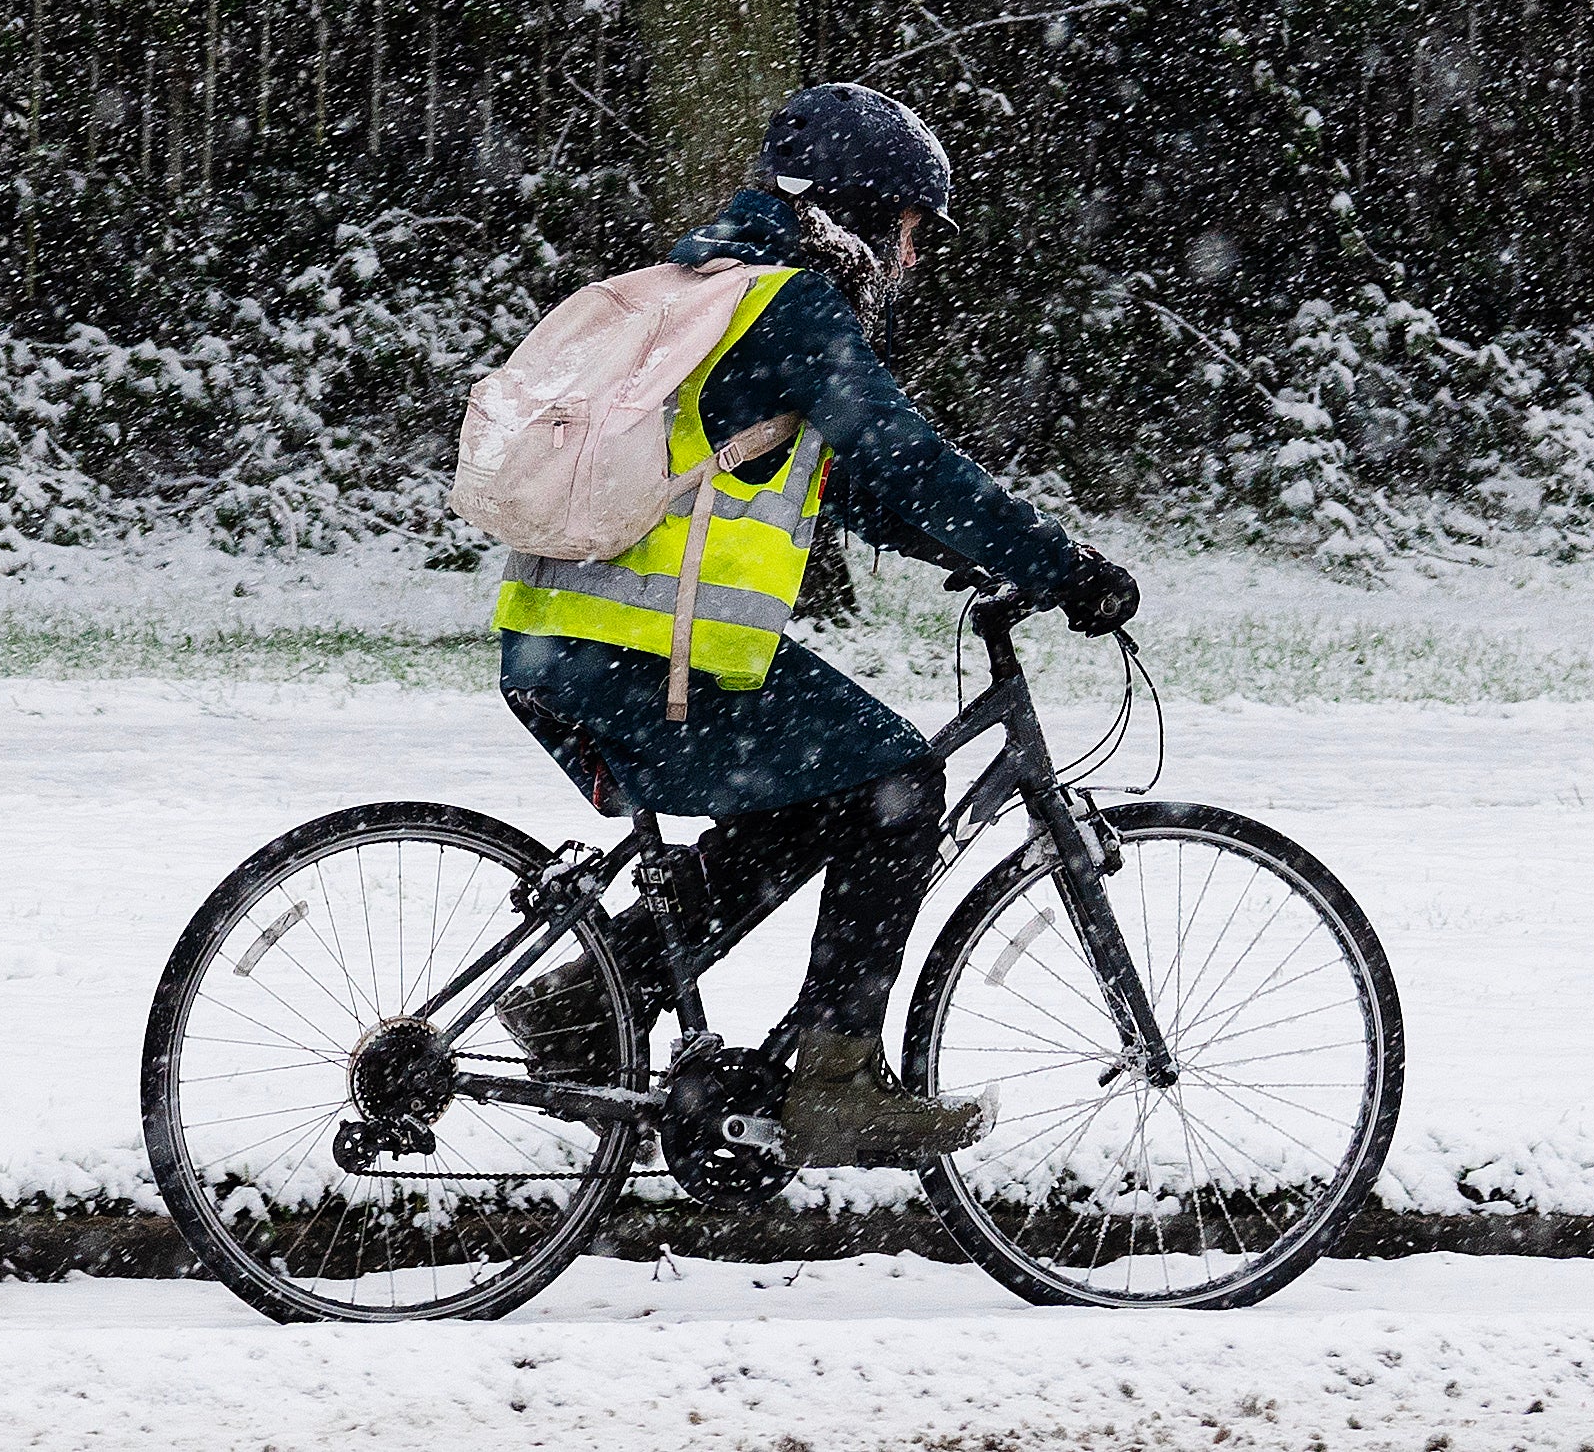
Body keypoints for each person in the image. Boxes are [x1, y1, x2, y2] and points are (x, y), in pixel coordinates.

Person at [489, 81, 1142, 1168]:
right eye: (910, 230)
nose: (913, 260)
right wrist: (1063, 565)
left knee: (826, 804)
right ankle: (836, 1078)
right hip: (643, 656)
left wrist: (985, 555)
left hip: (568, 646)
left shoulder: (712, 290)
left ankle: (590, 996)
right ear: (856, 212)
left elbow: (856, 487)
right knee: (901, 783)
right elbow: (908, 458)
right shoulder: (788, 307)